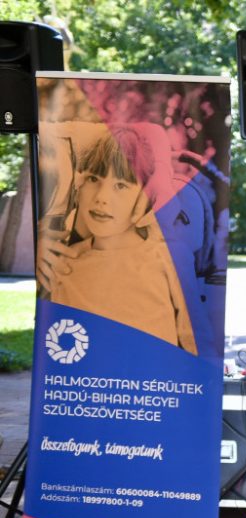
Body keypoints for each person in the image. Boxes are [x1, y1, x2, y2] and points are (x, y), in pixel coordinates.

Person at [43, 127, 197, 353]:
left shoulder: (170, 257)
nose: (102, 198)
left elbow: (194, 342)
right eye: (93, 179)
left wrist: (162, 169)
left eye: (121, 185)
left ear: (146, 194)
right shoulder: (63, 263)